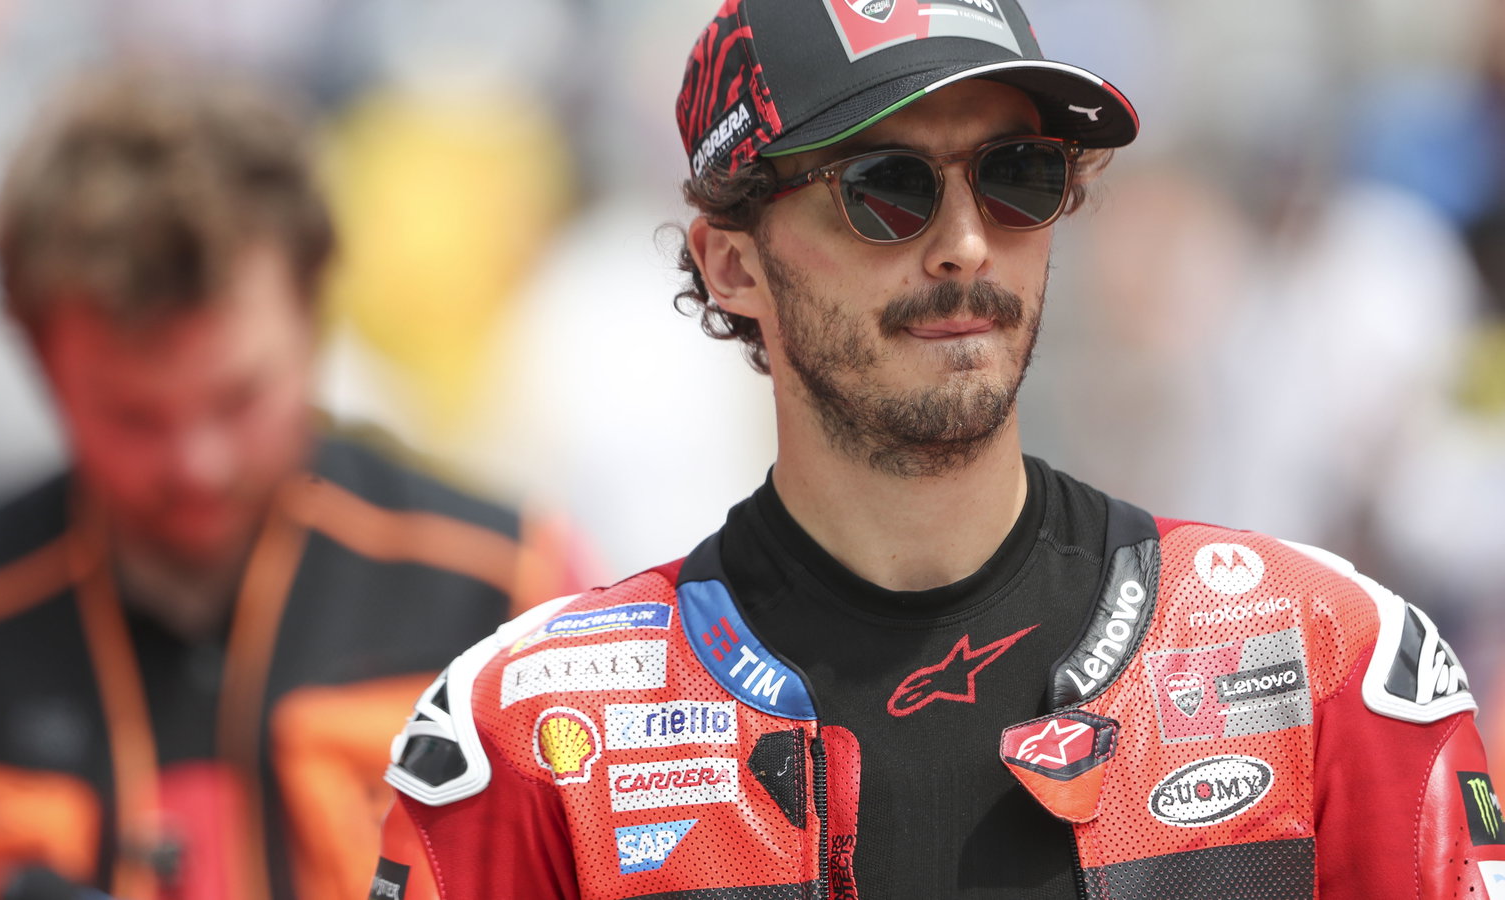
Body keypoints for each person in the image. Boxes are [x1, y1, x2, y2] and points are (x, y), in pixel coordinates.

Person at [373, 1, 1505, 897]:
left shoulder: (1326, 663)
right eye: (886, 189)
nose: (965, 244)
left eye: (1018, 176)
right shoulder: (539, 739)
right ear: (733, 266)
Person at [0, 67, 590, 900]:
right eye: (133, 416)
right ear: (40, 363)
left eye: (240, 398)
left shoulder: (513, 601)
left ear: (315, 316)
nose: (199, 464)